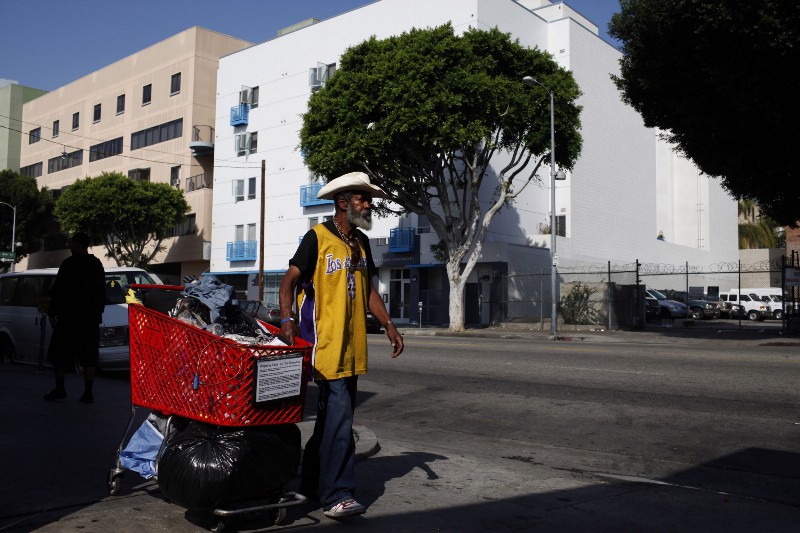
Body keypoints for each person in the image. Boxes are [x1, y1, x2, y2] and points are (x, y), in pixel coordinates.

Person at [278, 171, 404, 519]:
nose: (369, 204)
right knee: (340, 419)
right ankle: (338, 494)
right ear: (342, 202)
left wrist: (388, 324)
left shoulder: (361, 243)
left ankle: (310, 484)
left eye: (368, 199)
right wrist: (287, 320)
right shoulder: (316, 238)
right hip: (324, 345)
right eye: (362, 198)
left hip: (352, 348)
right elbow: (288, 282)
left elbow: (368, 291)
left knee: (330, 421)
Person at [43, 232, 106, 404]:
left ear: (77, 245)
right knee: (89, 355)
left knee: (59, 353)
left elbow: (59, 290)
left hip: (69, 317)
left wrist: (52, 311)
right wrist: (97, 312)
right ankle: (88, 391)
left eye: (72, 244)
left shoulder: (68, 264)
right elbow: (101, 291)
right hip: (89, 318)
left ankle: (60, 387)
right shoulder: (96, 264)